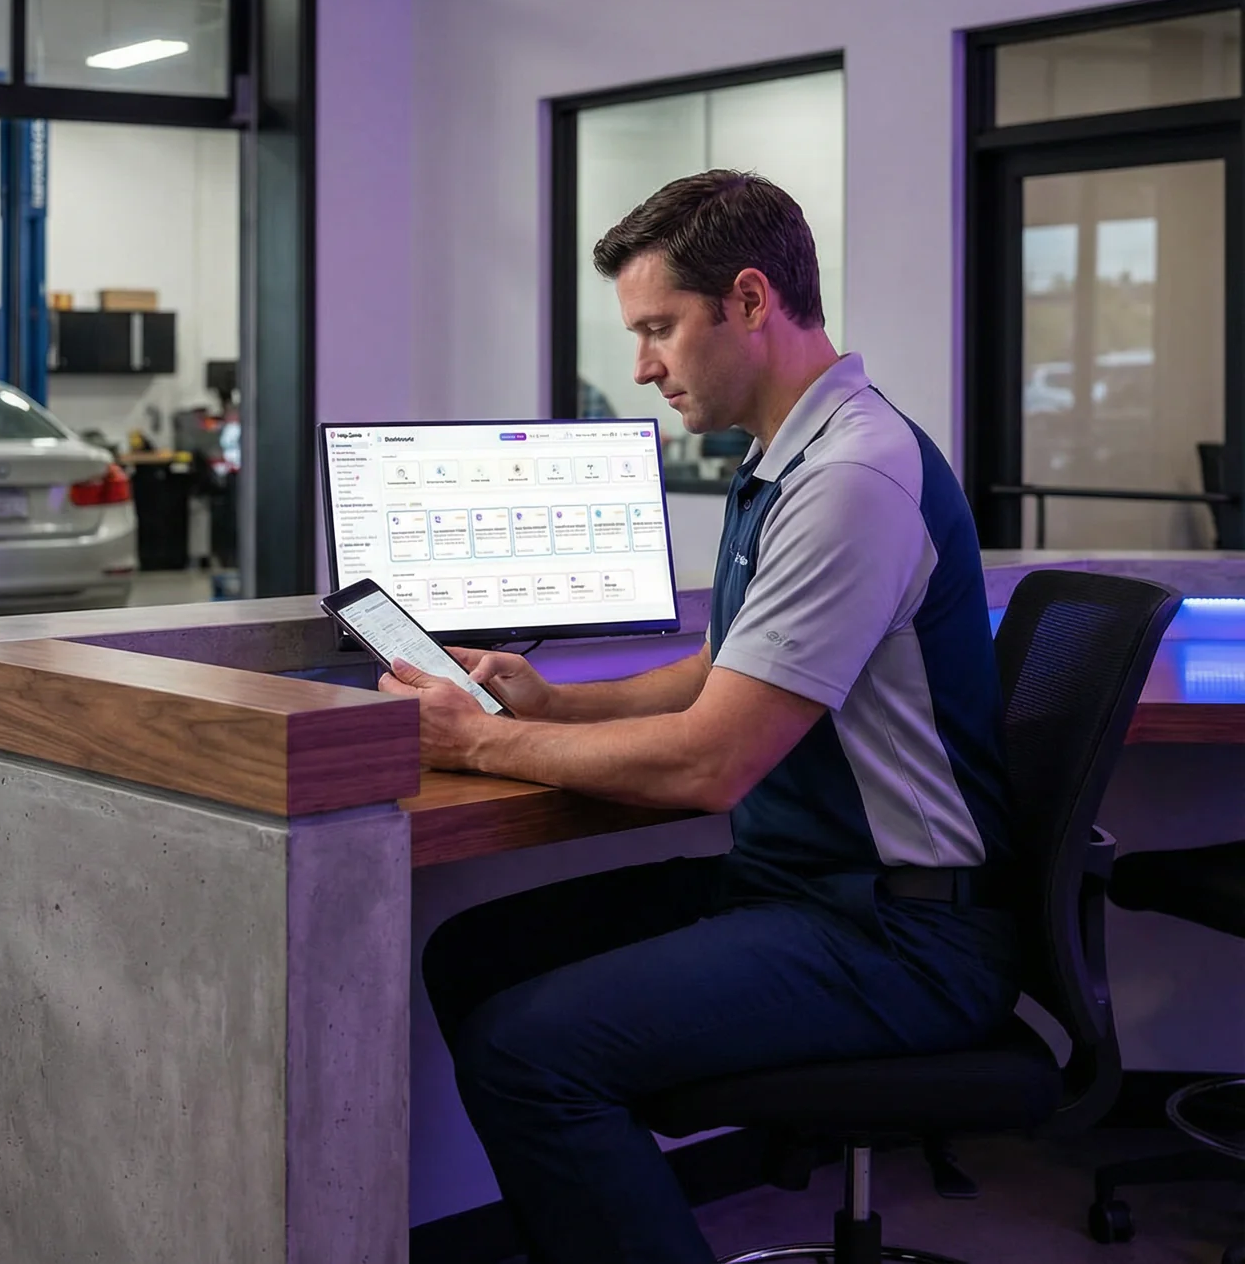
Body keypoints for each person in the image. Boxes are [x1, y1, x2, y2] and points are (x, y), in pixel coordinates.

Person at [384, 171, 1018, 1264]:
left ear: (754, 301)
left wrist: (477, 738)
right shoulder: (791, 455)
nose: (641, 368)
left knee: (527, 1052)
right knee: (473, 955)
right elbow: (723, 670)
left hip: (902, 933)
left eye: (661, 329)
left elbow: (711, 762)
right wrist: (552, 702)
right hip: (802, 886)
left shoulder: (853, 479)